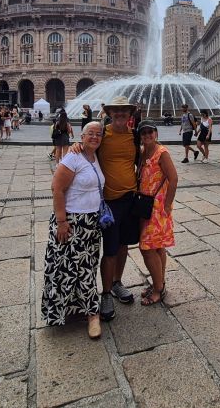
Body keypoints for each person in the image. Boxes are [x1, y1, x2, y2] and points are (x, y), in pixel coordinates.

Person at [71, 95, 140, 322]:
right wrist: (77, 145)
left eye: (124, 111)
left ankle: (118, 283)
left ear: (130, 114)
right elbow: (87, 147)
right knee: (109, 251)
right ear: (110, 113)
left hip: (130, 199)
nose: (120, 114)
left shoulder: (134, 135)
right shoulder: (103, 135)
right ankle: (106, 293)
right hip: (109, 204)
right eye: (116, 111)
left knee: (123, 246)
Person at [42, 121, 105, 338]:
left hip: (91, 224)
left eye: (99, 134)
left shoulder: (95, 157)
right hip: (70, 222)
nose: (95, 137)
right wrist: (61, 221)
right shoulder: (73, 157)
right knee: (65, 269)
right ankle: (67, 311)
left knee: (87, 268)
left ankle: (90, 313)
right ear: (82, 135)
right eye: (90, 134)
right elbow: (56, 188)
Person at [136, 121, 178, 306]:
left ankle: (158, 290)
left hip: (158, 206)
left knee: (146, 248)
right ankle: (159, 282)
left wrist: (168, 204)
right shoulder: (142, 152)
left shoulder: (162, 152)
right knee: (158, 246)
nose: (147, 135)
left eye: (150, 132)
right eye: (143, 133)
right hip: (145, 205)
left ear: (156, 133)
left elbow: (174, 178)